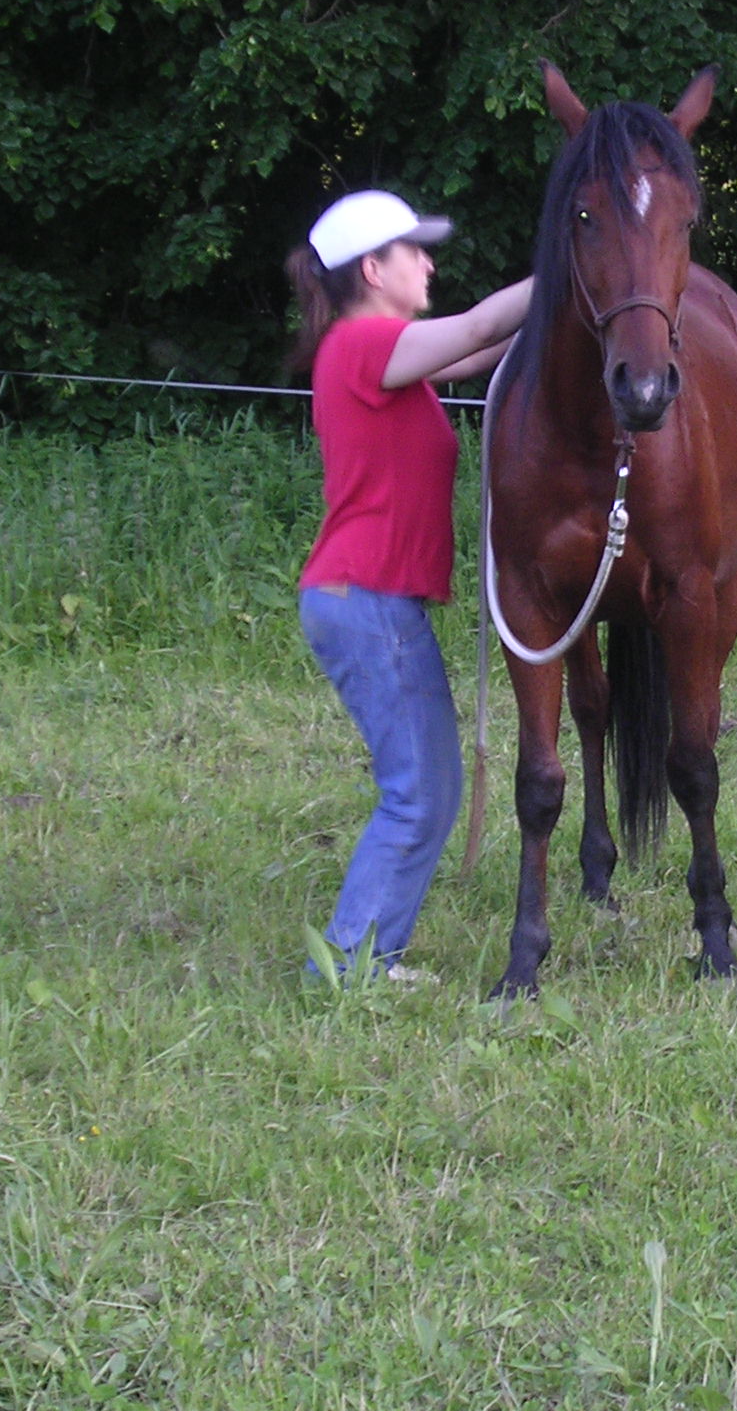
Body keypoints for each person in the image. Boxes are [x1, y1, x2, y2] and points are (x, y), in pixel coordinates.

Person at [284, 189, 532, 980]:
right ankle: (353, 962)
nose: (429, 263)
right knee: (419, 791)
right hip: (367, 602)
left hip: (369, 600)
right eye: (413, 251)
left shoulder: (383, 354)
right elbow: (477, 326)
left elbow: (483, 351)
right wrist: (569, 259)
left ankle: (369, 957)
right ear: (372, 268)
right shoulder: (361, 346)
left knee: (429, 786)